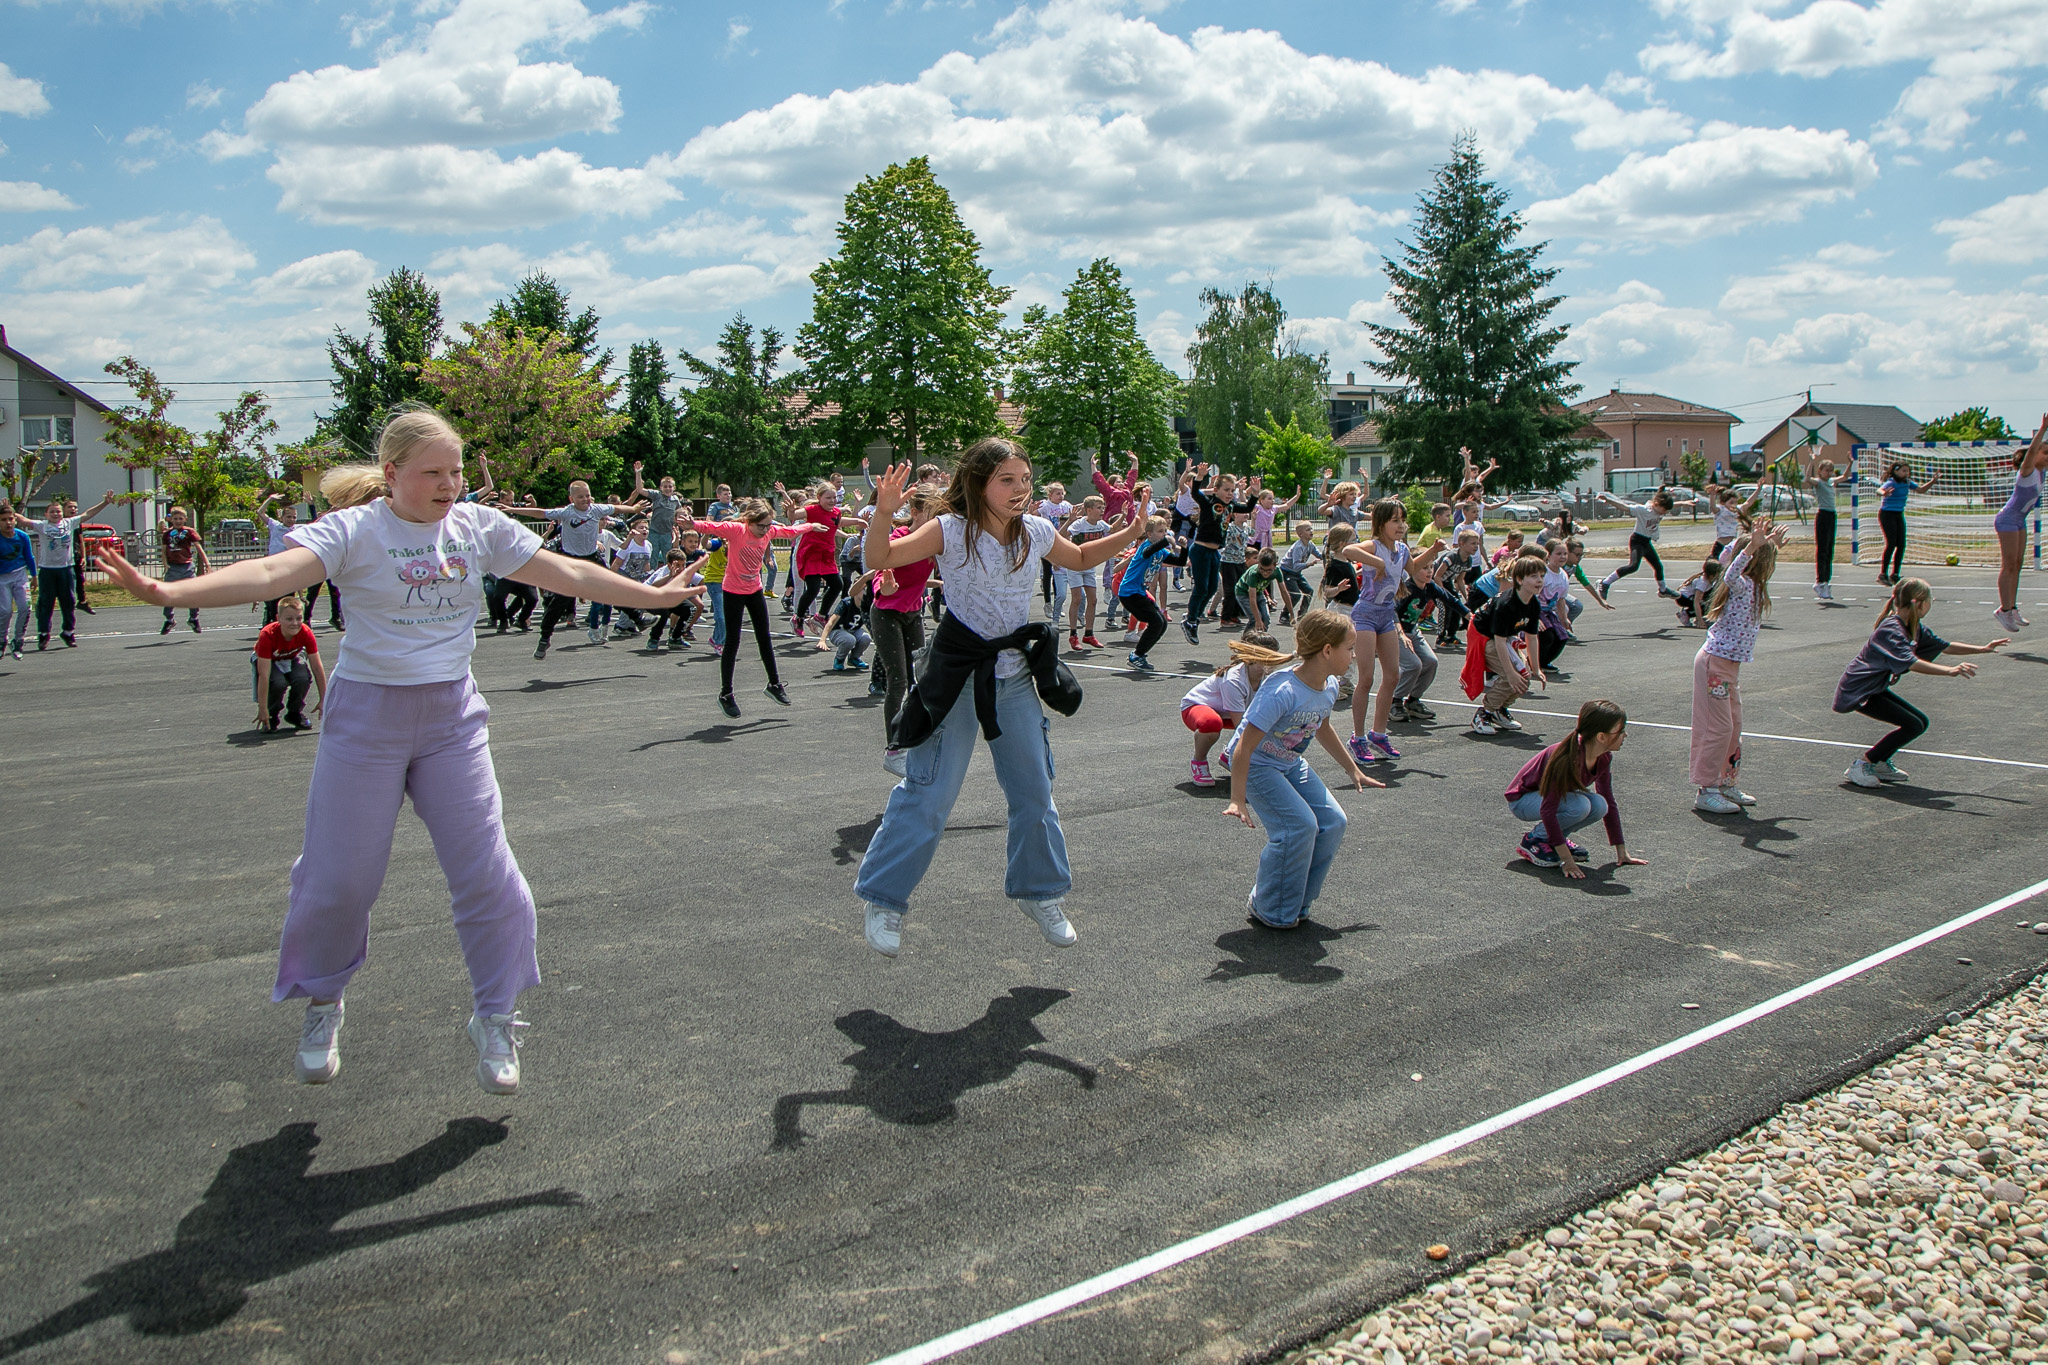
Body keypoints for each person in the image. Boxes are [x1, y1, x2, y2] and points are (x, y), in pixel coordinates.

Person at [94, 408, 702, 1095]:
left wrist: (650, 600)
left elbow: (572, 574)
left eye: (457, 470)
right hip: (367, 718)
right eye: (433, 473)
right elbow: (270, 573)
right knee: (339, 879)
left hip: (451, 719)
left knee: (492, 875)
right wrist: (167, 589)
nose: (450, 484)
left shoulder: (477, 527)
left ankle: (496, 1013)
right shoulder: (355, 530)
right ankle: (324, 999)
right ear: (391, 474)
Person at [851, 441, 1152, 958]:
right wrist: (882, 512)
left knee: (1035, 794)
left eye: (1025, 479)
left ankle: (1040, 894)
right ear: (978, 482)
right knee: (928, 796)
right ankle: (884, 898)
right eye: (1007, 480)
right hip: (959, 679)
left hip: (1013, 679)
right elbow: (880, 557)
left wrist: (1131, 531)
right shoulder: (949, 530)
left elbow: (1078, 556)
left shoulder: (1035, 530)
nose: (1021, 490)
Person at [1219, 610, 1381, 929]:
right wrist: (1237, 798)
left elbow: (1320, 725)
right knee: (1298, 827)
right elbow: (1243, 747)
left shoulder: (1330, 685)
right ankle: (1269, 906)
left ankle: (1296, 900)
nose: (1354, 655)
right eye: (1350, 648)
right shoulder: (1282, 690)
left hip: (1289, 761)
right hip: (1257, 765)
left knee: (1333, 821)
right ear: (1327, 650)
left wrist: (1353, 769)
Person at [1836, 578, 2008, 787]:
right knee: (1913, 724)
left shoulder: (1913, 626)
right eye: (1929, 600)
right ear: (1918, 602)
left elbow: (1944, 646)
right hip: (1859, 690)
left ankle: (1879, 763)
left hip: (1874, 688)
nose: (1931, 603)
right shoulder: (1891, 629)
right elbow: (1912, 663)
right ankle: (1861, 765)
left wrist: (1982, 648)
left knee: (1920, 722)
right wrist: (1950, 671)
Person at [692, 499, 832, 718]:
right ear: (749, 521)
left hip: (754, 590)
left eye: (768, 526)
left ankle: (774, 684)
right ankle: (726, 694)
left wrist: (810, 526)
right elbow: (709, 526)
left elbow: (788, 531)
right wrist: (688, 523)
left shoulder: (768, 532)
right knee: (732, 642)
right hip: (733, 591)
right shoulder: (736, 530)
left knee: (764, 638)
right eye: (761, 526)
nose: (765, 531)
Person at [1690, 517, 1788, 814]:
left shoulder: (1757, 586)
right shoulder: (1742, 584)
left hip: (1729, 669)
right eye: (1769, 559)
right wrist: (1750, 550)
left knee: (1734, 727)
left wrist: (1770, 545)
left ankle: (1726, 782)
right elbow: (1730, 575)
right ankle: (1705, 789)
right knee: (1718, 728)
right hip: (1714, 666)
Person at [1342, 500, 1446, 762]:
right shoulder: (1374, 545)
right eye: (1395, 521)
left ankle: (1378, 734)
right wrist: (1376, 562)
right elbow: (1348, 549)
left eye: (1403, 520)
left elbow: (1412, 568)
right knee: (1366, 678)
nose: (1401, 526)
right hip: (1365, 614)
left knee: (1393, 676)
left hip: (1387, 615)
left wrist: (1433, 551)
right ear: (1381, 523)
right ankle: (1358, 738)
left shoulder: (1401, 549)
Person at [1503, 698, 1647, 879]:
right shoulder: (1566, 758)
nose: (1625, 735)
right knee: (1580, 805)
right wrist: (1566, 861)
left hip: (1550, 799)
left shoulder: (1604, 757)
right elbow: (1548, 809)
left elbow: (1609, 800)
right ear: (1601, 737)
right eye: (1621, 731)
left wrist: (1621, 850)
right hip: (1523, 801)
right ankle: (1535, 839)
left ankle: (1553, 840)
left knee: (1600, 804)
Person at [502, 481, 641, 659]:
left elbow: (617, 508)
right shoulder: (567, 512)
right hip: (570, 561)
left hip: (591, 558)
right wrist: (512, 510)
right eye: (580, 497)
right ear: (571, 498)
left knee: (610, 587)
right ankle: (545, 638)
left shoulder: (596, 509)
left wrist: (634, 508)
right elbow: (540, 512)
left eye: (587, 495)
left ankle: (636, 616)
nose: (585, 499)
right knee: (559, 602)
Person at [873, 484, 942, 773]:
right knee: (898, 681)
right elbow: (881, 575)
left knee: (920, 679)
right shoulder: (900, 537)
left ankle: (915, 736)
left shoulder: (934, 543)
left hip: (913, 614)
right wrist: (885, 590)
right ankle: (894, 749)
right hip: (887, 614)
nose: (939, 520)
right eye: (933, 514)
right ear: (915, 513)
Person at [1180, 634, 1286, 786]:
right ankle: (1199, 761)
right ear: (1250, 657)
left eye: (1274, 656)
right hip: (1196, 708)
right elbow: (1241, 726)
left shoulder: (1268, 678)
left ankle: (1228, 755)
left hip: (1228, 713)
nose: (1271, 662)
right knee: (1211, 723)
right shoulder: (1234, 680)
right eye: (1266, 656)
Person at [1462, 555, 1548, 736]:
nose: (1539, 580)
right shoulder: (1506, 604)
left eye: (1542, 575)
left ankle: (1499, 710)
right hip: (1483, 636)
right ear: (1519, 579)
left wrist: (1536, 668)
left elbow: (1532, 637)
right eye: (1534, 576)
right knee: (1512, 677)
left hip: (1505, 637)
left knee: (1524, 675)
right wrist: (1509, 673)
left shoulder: (1533, 603)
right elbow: (1499, 643)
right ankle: (1484, 713)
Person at [28, 490, 114, 649]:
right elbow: (22, 520)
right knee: (46, 603)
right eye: (52, 511)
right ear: (46, 514)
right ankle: (43, 634)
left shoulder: (69, 523)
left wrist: (105, 502)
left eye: (58, 511)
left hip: (65, 569)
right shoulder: (41, 526)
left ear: (62, 514)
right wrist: (8, 510)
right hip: (47, 570)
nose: (56, 514)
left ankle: (68, 632)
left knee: (68, 601)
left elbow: (88, 513)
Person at [1115, 515, 1188, 672]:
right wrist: (1167, 540)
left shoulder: (1161, 551)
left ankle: (1139, 654)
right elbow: (1148, 552)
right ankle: (1137, 655)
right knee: (1156, 622)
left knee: (1162, 623)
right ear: (1149, 534)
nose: (1164, 534)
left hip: (1140, 592)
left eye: (1165, 531)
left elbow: (1180, 562)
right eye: (1160, 531)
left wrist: (1184, 548)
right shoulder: (1145, 547)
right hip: (1129, 593)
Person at [1994, 415, 2047, 630]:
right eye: (2045, 452)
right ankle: (2003, 610)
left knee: (2017, 565)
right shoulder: (2027, 472)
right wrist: (2043, 429)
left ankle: (2011, 607)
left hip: (2019, 521)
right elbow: (2033, 452)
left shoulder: (2042, 472)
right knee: (2008, 565)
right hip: (2007, 519)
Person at [253, 594, 327, 732]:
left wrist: (324, 699)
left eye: (299, 618)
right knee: (277, 683)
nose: (295, 623)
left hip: (292, 656)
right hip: (269, 659)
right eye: (289, 619)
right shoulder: (267, 635)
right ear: (278, 619)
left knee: (302, 679)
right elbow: (263, 674)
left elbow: (317, 667)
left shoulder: (305, 632)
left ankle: (294, 713)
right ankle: (271, 715)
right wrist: (262, 708)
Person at [1596, 490, 1679, 599]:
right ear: (1656, 504)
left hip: (1646, 542)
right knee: (1633, 566)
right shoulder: (1643, 510)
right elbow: (1624, 507)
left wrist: (1685, 503)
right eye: (1664, 510)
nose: (1664, 513)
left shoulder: (1659, 509)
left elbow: (1672, 505)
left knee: (1658, 566)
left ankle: (1663, 590)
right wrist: (1608, 499)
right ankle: (1605, 582)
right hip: (1637, 541)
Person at [1876, 460, 1939, 586]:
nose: (1906, 473)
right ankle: (1883, 574)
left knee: (1901, 544)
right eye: (1903, 470)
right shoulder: (1891, 482)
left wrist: (1933, 481)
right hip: (1887, 514)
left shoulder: (1907, 482)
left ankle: (1895, 574)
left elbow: (1921, 490)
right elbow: (1879, 491)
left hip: (1899, 514)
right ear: (1896, 471)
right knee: (1891, 543)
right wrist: (1884, 493)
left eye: (1907, 471)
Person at [157, 505, 211, 635]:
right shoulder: (167, 534)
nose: (178, 521)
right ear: (171, 520)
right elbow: (163, 551)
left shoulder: (189, 532)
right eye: (175, 518)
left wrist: (207, 564)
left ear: (185, 519)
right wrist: (165, 565)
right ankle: (169, 619)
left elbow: (198, 548)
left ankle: (193, 618)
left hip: (186, 566)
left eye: (180, 518)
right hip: (173, 567)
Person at [1807, 459, 1852, 602]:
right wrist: (1811, 461)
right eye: (1826, 470)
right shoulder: (1818, 482)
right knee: (1822, 550)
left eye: (1830, 470)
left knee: (1829, 549)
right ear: (1820, 471)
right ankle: (1820, 581)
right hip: (1823, 515)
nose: (1828, 473)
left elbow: (1844, 477)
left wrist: (1850, 463)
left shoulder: (1831, 481)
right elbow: (1807, 478)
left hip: (1832, 515)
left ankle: (1826, 581)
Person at [0, 504, 32, 658]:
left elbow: (29, 557)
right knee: (5, 611)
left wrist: (34, 575)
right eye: (3, 520)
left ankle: (18, 640)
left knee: (25, 607)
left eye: (10, 519)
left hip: (20, 575)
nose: (8, 523)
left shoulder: (22, 536)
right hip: (2, 578)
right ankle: (1, 640)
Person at [1278, 521, 1323, 625]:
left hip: (1297, 573)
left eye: (1311, 529)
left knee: (1309, 591)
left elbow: (1319, 555)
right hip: (1287, 572)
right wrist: (1309, 564)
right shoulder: (1298, 547)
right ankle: (1284, 614)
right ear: (1300, 534)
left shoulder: (1310, 544)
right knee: (1295, 595)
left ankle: (1302, 614)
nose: (1311, 531)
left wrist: (1328, 555)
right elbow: (1296, 565)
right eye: (1308, 530)